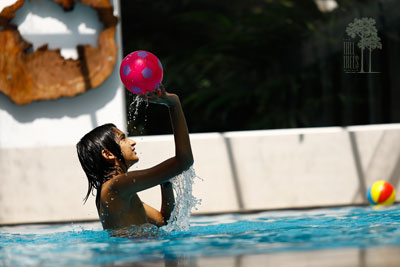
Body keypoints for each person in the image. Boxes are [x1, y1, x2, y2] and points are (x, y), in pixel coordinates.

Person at [76, 85, 193, 230]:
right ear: (108, 154)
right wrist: (174, 104)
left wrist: (165, 183)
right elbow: (184, 161)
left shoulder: (118, 192)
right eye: (123, 139)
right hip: (135, 251)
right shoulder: (115, 186)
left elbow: (164, 221)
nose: (132, 142)